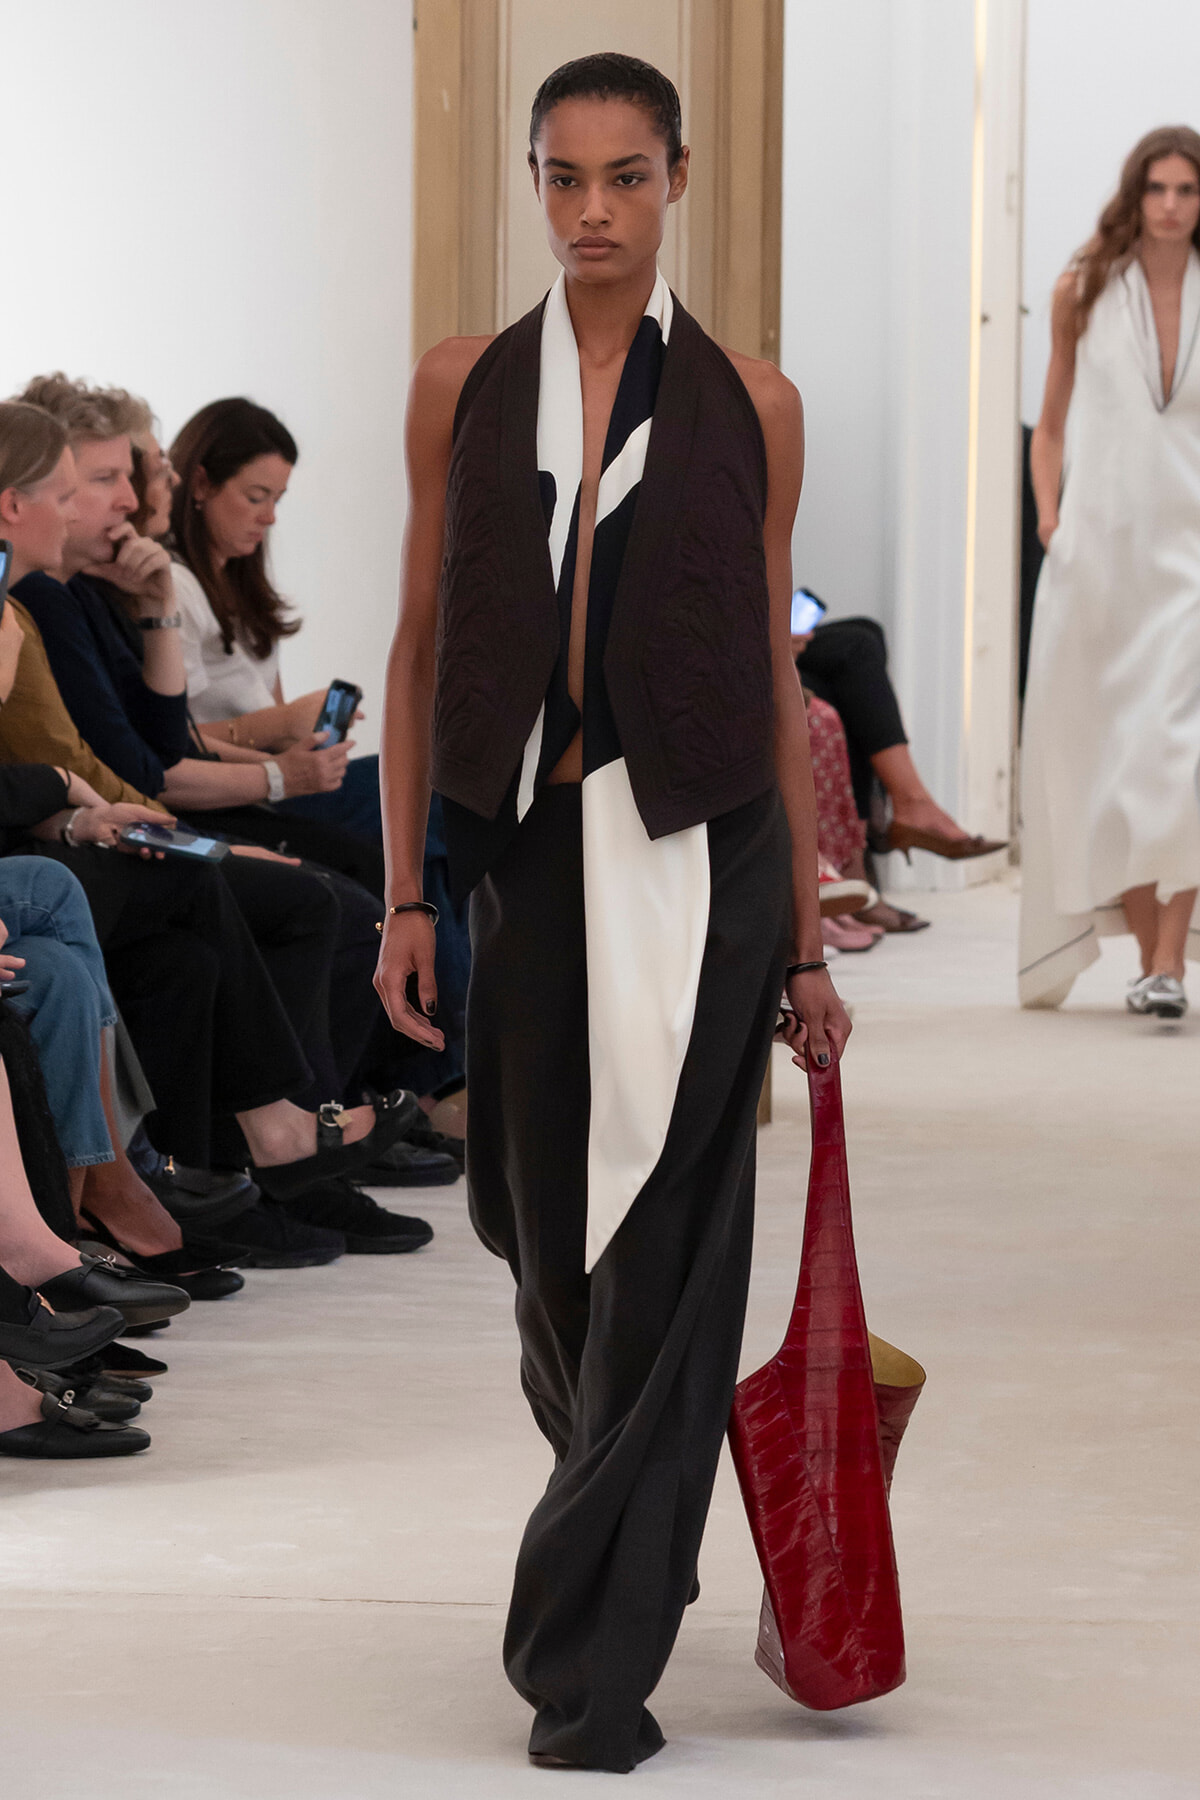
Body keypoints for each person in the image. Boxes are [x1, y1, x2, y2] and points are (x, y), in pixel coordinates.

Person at [375, 53, 851, 1772]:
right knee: (536, 1238)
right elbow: (421, 646)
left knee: (667, 1252)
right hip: (523, 859)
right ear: (532, 184)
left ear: (679, 179)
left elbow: (772, 680)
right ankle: (623, 1525)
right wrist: (407, 888)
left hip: (702, 862)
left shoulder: (755, 403)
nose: (592, 211)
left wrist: (803, 941)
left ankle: (591, 1655)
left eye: (626, 177)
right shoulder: (460, 386)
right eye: (564, 178)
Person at [163, 395, 471, 1124]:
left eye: (278, 500)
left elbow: (261, 723)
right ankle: (438, 1073)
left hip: (272, 781)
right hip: (232, 794)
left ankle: (438, 1066)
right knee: (416, 822)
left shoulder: (240, 585)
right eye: (255, 496)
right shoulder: (173, 586)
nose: (268, 517)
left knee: (431, 812)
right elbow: (172, 737)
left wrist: (302, 740)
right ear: (200, 484)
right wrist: (286, 729)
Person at [1020, 126, 1200, 1016]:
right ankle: (1152, 968)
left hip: (1192, 560)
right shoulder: (1084, 291)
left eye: (1188, 190)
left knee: (1179, 755)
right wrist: (1052, 520)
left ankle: (1166, 961)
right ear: (1136, 196)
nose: (1172, 205)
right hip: (1103, 558)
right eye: (1158, 189)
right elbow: (1047, 422)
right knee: (1116, 760)